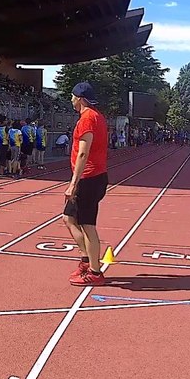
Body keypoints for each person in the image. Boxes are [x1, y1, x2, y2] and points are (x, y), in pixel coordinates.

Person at [64, 82, 109, 286]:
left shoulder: (88, 119)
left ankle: (95, 271)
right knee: (68, 218)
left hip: (88, 179)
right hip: (92, 177)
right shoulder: (96, 117)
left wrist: (73, 183)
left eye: (72, 96)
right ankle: (86, 258)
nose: (71, 100)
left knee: (88, 225)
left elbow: (83, 152)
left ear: (80, 99)